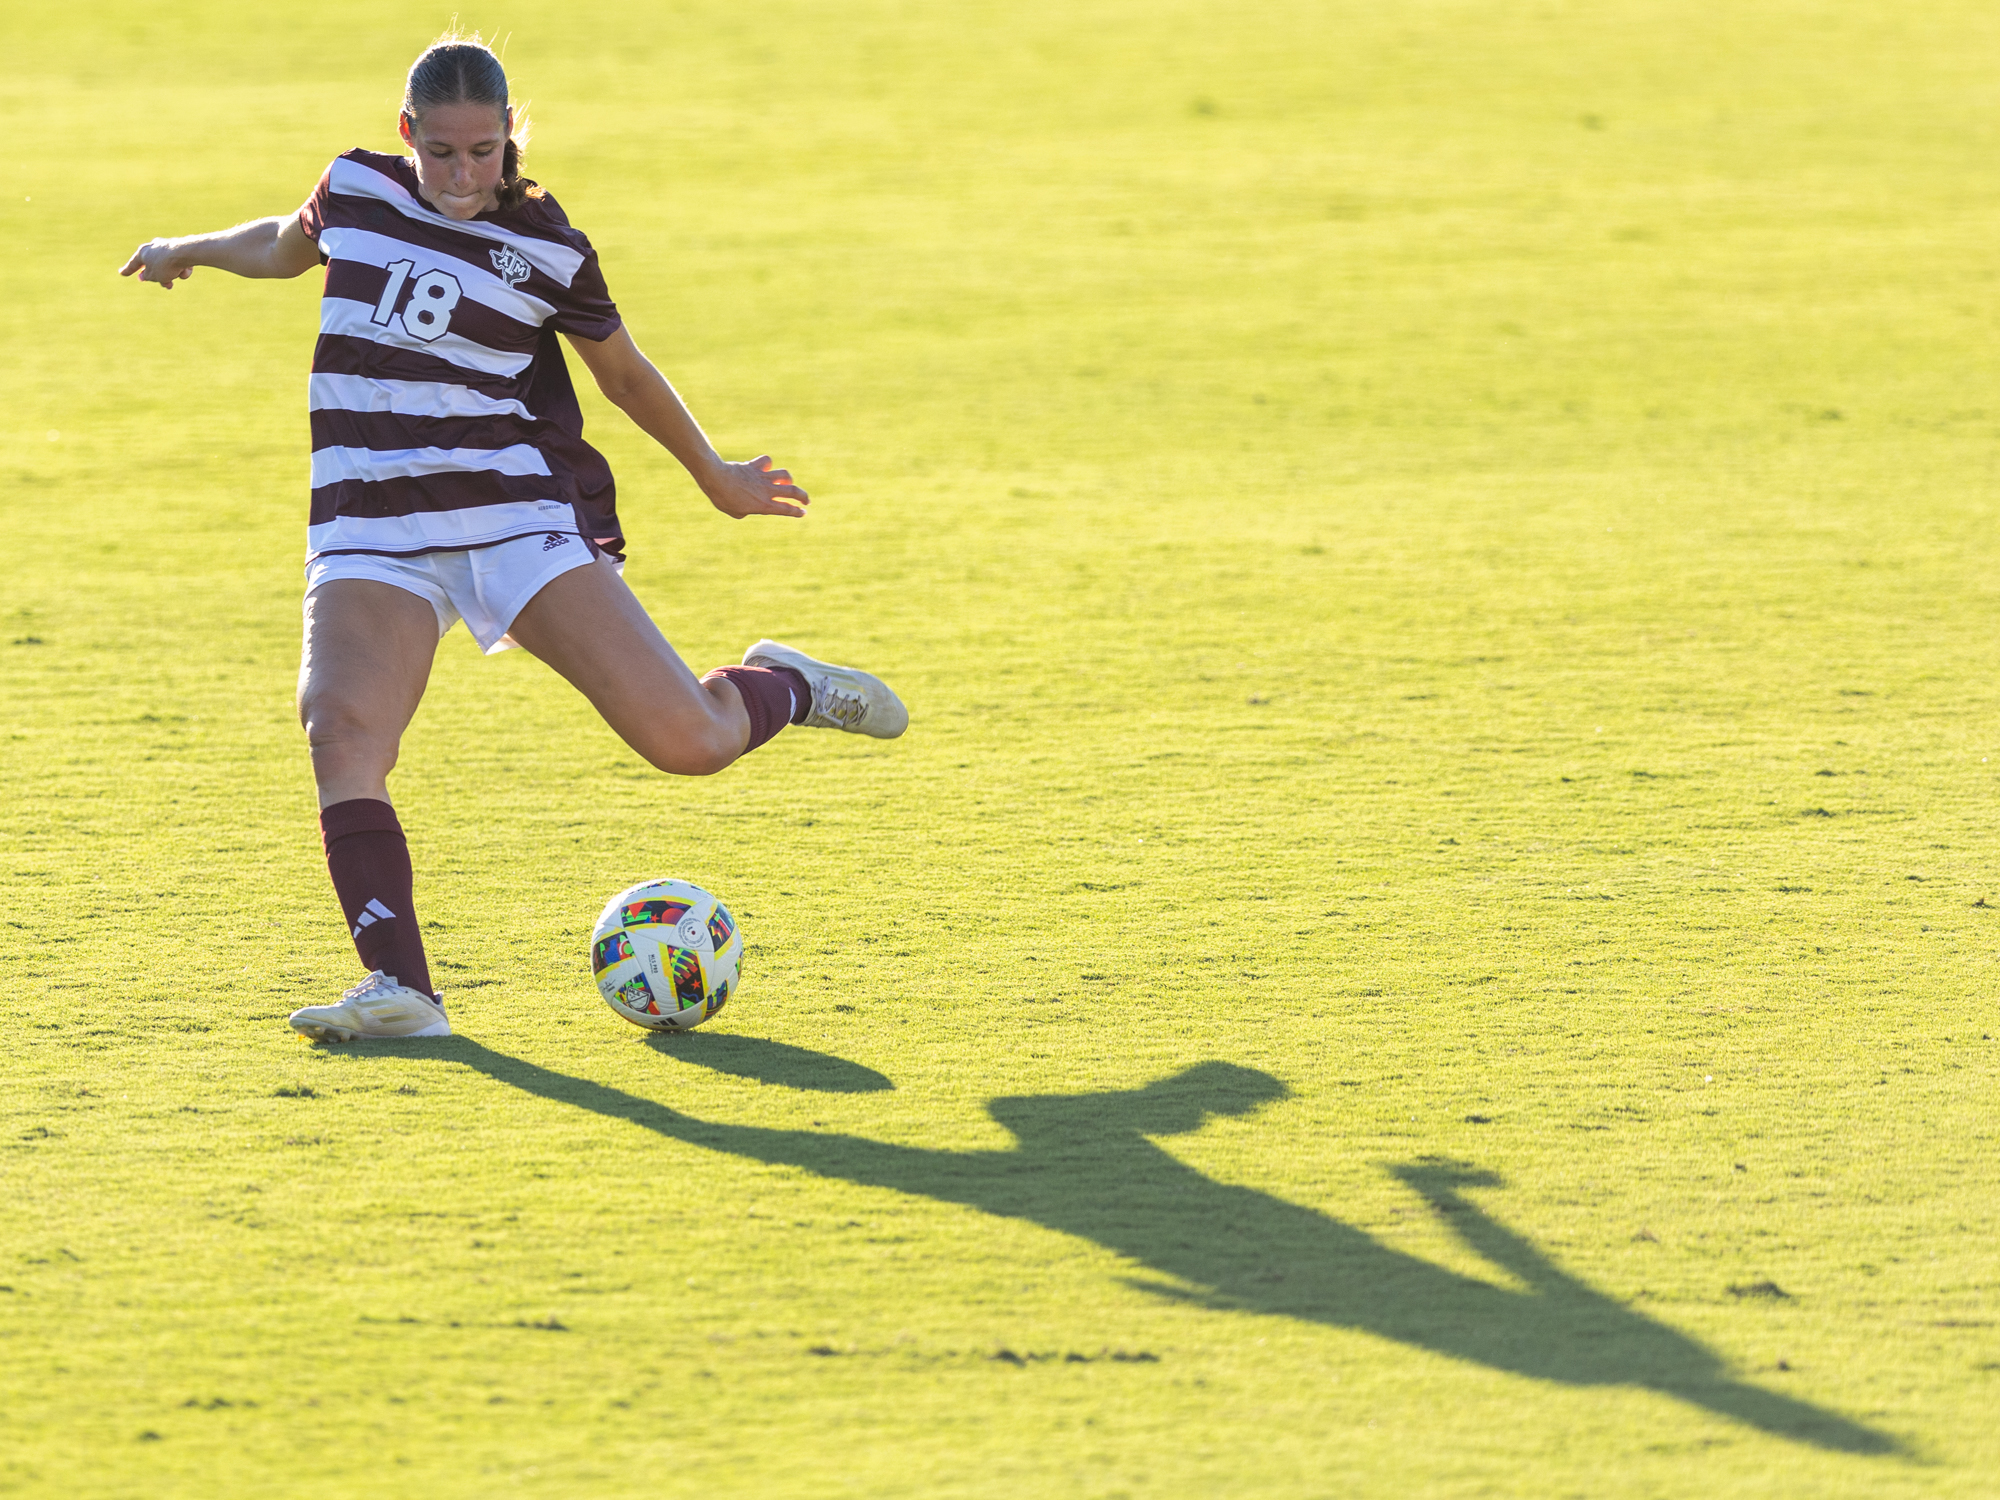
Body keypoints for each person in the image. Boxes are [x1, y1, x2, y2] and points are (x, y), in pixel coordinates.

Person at [118, 32, 906, 1043]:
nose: (461, 174)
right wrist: (188, 249)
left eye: (482, 151)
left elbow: (622, 375)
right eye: (440, 152)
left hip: (508, 519)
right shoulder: (355, 190)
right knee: (341, 731)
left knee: (690, 743)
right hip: (370, 528)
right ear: (406, 135)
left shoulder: (546, 248)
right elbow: (283, 242)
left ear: (508, 139)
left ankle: (786, 686)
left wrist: (717, 477)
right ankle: (402, 991)